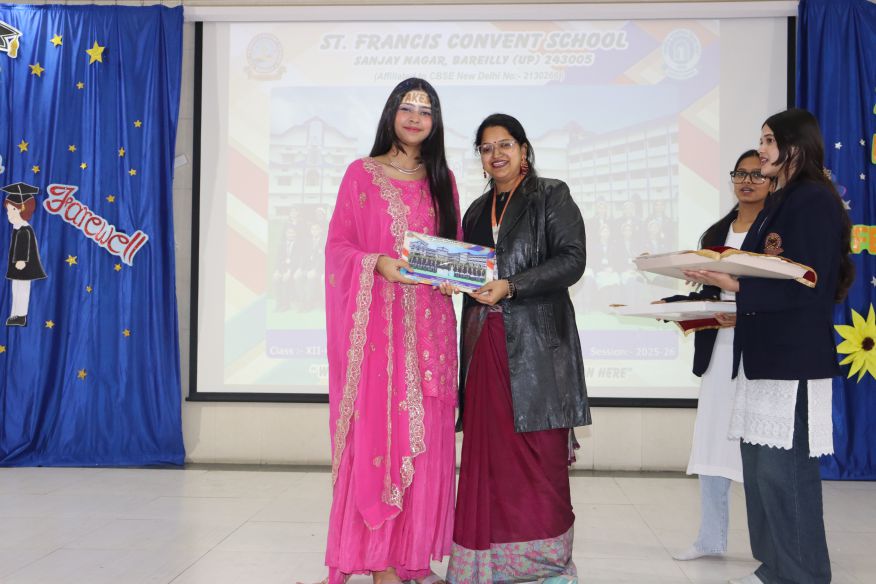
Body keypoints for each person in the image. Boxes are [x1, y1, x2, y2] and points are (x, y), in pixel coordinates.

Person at [683, 108, 854, 584]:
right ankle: (772, 568)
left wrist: (735, 286)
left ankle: (802, 575)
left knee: (785, 474)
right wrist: (716, 285)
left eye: (768, 141)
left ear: (795, 146)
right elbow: (761, 271)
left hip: (793, 358)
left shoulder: (813, 200)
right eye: (761, 140)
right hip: (762, 355)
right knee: (760, 473)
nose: (761, 150)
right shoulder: (781, 199)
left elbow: (808, 282)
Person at [323, 78, 460, 584]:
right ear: (391, 114)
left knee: (427, 440)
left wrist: (453, 277)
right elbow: (338, 248)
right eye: (407, 107)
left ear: (435, 122)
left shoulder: (443, 179)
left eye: (426, 109)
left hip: (431, 331)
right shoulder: (361, 173)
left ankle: (412, 559)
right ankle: (379, 561)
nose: (416, 116)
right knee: (381, 437)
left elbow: (452, 247)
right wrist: (376, 263)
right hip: (380, 332)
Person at [443, 113, 589, 584]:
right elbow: (470, 271)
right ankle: (484, 564)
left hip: (538, 351)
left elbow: (572, 260)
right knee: (489, 458)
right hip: (484, 346)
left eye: (504, 144)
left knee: (540, 457)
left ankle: (547, 565)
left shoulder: (551, 195)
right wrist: (449, 278)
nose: (496, 154)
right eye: (486, 148)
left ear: (524, 150)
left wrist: (513, 285)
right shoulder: (474, 212)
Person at [662, 150, 771, 561]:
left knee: (760, 446)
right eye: (740, 174)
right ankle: (710, 538)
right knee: (711, 441)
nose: (747, 181)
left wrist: (743, 311)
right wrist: (676, 306)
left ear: (773, 181)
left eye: (757, 174)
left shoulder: (775, 231)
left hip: (760, 350)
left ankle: (771, 547)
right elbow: (707, 293)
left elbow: (779, 291)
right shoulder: (715, 233)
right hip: (719, 349)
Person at [3, 182, 47, 327]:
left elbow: (24, 247)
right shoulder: (17, 229)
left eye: (12, 210)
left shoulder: (24, 230)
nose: (8, 214)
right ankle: (15, 313)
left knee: (21, 289)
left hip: (23, 267)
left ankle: (21, 315)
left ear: (22, 209)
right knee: (16, 289)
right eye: (8, 210)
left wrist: (21, 260)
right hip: (17, 268)